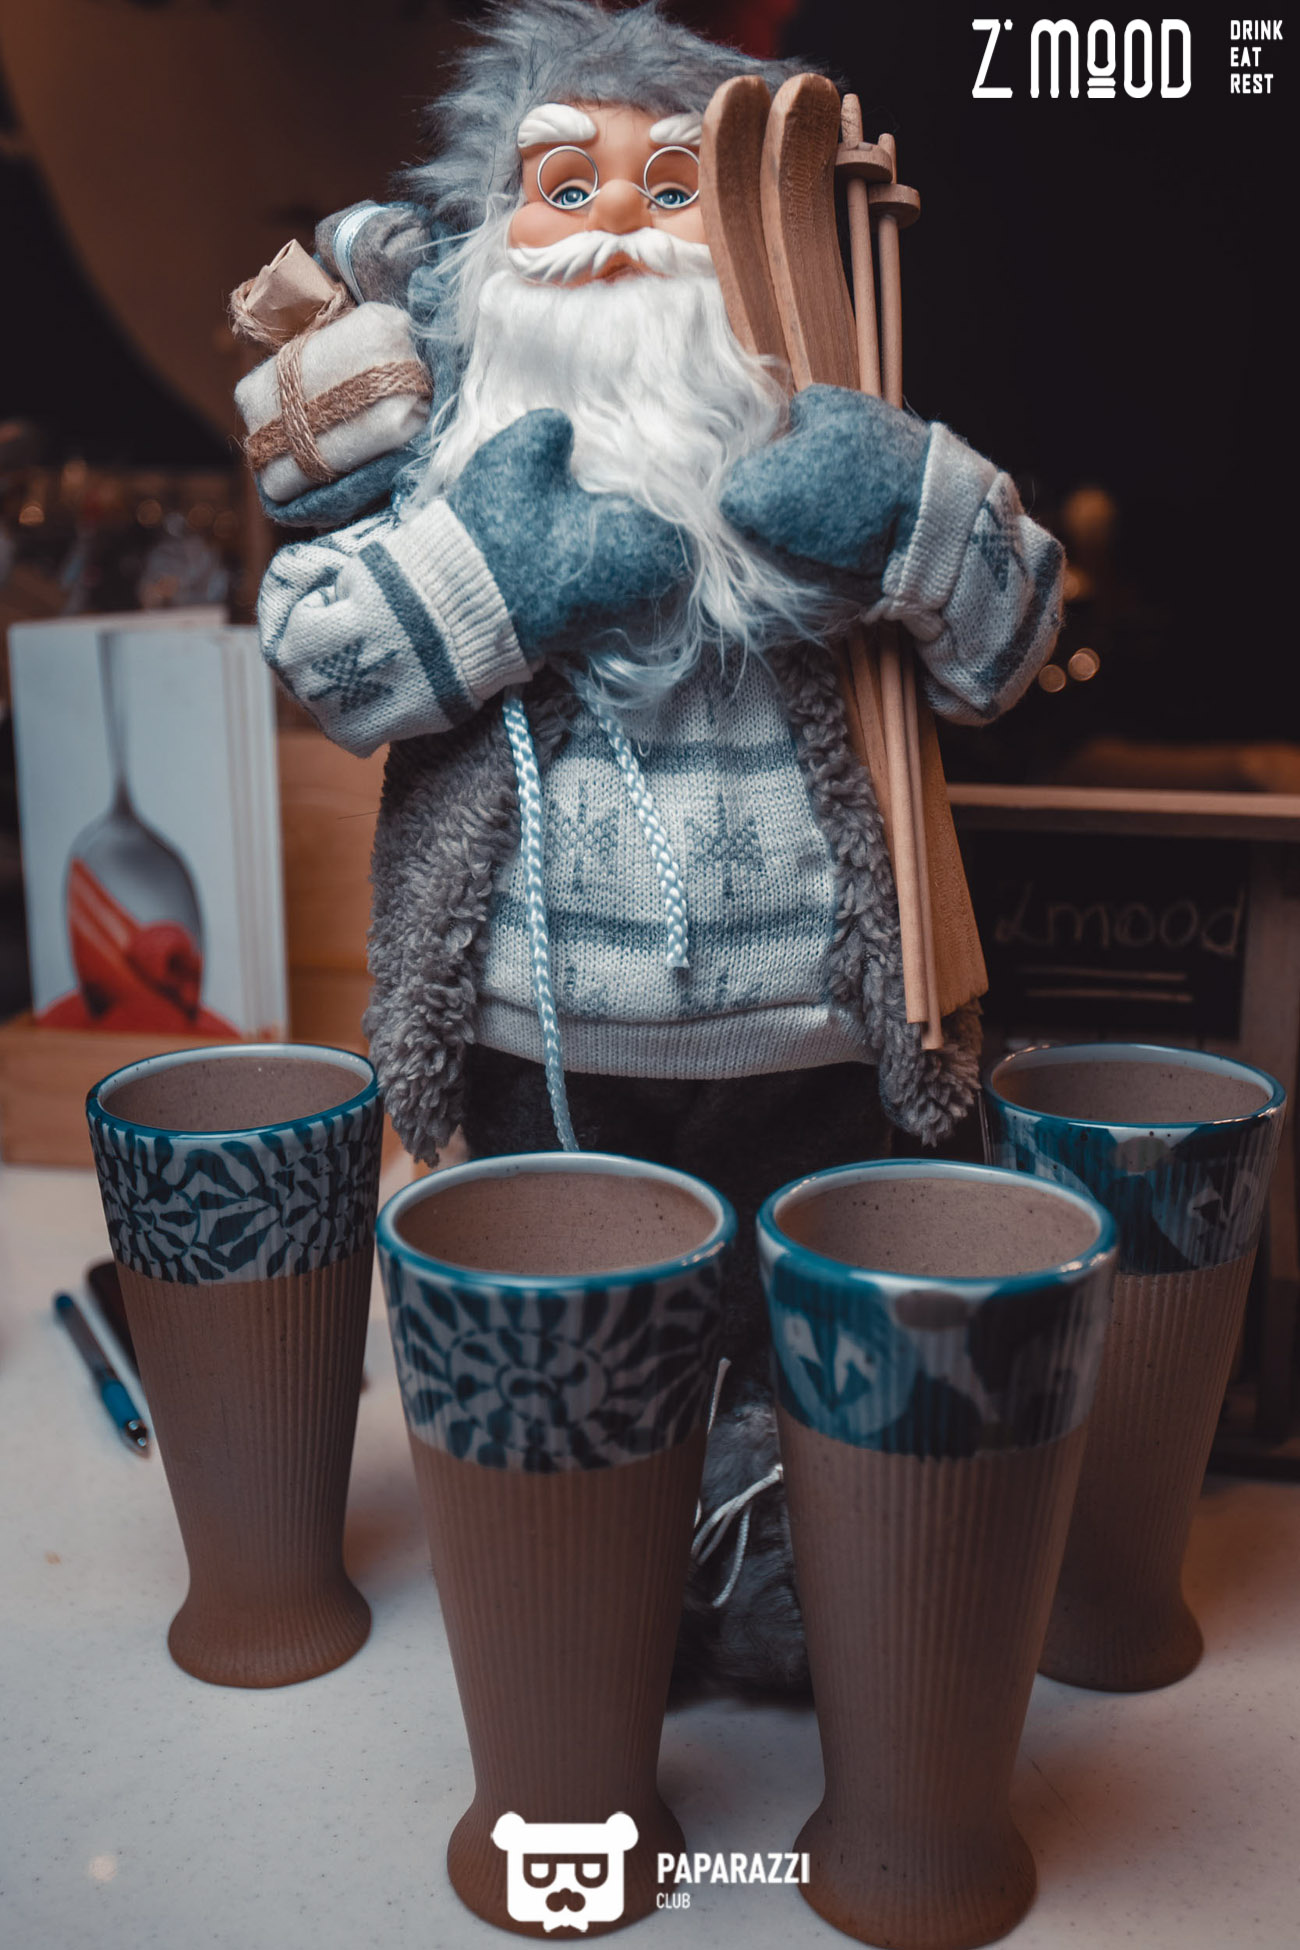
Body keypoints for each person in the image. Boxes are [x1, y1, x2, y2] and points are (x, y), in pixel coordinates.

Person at [251, 0, 1064, 1689]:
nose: (618, 221)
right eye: (567, 185)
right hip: (538, 1051)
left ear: (756, 240)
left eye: (674, 187)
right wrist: (495, 574)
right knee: (580, 1370)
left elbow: (1013, 655)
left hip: (812, 1050)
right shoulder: (439, 472)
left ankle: (777, 1571)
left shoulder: (828, 434)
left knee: (797, 1353)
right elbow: (330, 665)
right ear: (488, 244)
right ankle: (590, 1612)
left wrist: (915, 511)